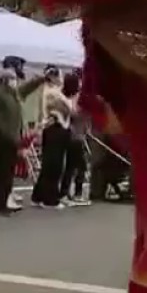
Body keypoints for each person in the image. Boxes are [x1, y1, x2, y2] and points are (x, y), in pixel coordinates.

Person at [0, 57, 45, 215]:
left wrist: (41, 79)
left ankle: (3, 201)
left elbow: (27, 88)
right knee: (2, 174)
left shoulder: (13, 93)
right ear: (4, 80)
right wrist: (13, 139)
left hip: (13, 139)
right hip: (4, 140)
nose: (15, 81)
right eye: (11, 79)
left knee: (8, 174)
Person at [31, 66, 74, 209]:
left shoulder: (51, 91)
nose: (59, 78)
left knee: (49, 164)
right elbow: (68, 108)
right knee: (53, 165)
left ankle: (38, 195)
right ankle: (50, 199)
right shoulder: (52, 93)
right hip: (55, 128)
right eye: (56, 75)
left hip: (55, 129)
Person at [58, 71, 91, 206]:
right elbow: (76, 114)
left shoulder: (68, 97)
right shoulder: (73, 99)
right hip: (74, 136)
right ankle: (73, 193)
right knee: (79, 166)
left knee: (72, 166)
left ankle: (67, 192)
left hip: (77, 134)